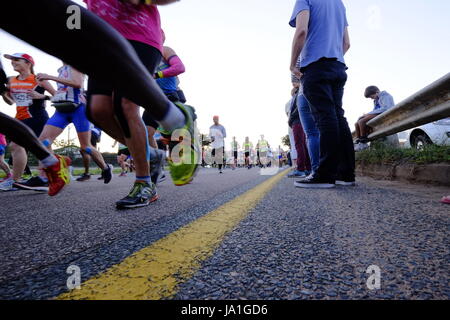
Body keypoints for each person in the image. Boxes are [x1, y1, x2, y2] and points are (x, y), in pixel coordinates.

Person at [1, 0, 199, 207]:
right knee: (98, 110)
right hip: (98, 41)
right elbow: (72, 10)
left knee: (125, 105)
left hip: (139, 35)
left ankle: (144, 182)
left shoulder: (167, 47)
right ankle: (155, 148)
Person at [290, 0, 355, 188]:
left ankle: (325, 174)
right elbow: (347, 43)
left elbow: (301, 31)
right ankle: (346, 173)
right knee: (338, 117)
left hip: (315, 66)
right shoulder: (339, 3)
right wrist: (332, 58)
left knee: (325, 118)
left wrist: (293, 63)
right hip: (338, 65)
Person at [0, 58, 71, 196]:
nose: (13, 62)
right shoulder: (11, 80)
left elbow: (58, 97)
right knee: (16, 146)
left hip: (37, 116)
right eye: (12, 60)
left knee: (43, 146)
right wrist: (4, 94)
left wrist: (41, 97)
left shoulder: (39, 79)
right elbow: (10, 102)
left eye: (17, 60)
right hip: (20, 117)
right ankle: (18, 179)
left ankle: (45, 177)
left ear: (28, 63)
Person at [36, 63, 113, 188]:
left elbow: (77, 84)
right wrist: (46, 93)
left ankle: (105, 168)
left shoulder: (74, 64)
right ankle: (51, 174)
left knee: (86, 147)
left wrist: (49, 77)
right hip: (61, 109)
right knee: (42, 142)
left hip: (79, 109)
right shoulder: (61, 69)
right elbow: (60, 91)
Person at [354, 86, 395, 150]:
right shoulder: (376, 100)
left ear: (377, 92)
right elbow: (375, 109)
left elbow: (386, 108)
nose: (372, 99)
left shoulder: (385, 96)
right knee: (357, 123)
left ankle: (363, 142)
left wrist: (368, 114)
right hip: (378, 113)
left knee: (361, 121)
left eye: (372, 97)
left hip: (383, 113)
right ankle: (359, 141)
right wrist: (367, 114)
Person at [287, 85, 311, 178]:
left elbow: (295, 111)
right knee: (303, 145)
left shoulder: (297, 97)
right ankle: (308, 168)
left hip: (297, 122)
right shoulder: (301, 95)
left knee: (299, 145)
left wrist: (291, 120)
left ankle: (300, 169)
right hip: (300, 121)